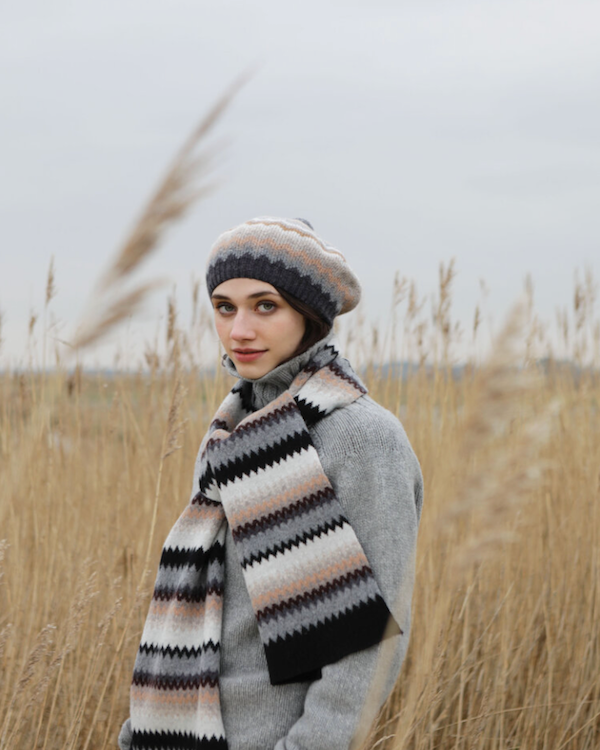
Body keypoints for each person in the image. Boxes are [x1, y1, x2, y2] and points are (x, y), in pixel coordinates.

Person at [118, 216, 424, 750]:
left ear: (310, 317)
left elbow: (372, 645)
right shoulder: (228, 434)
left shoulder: (363, 437)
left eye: (266, 306)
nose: (239, 329)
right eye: (224, 307)